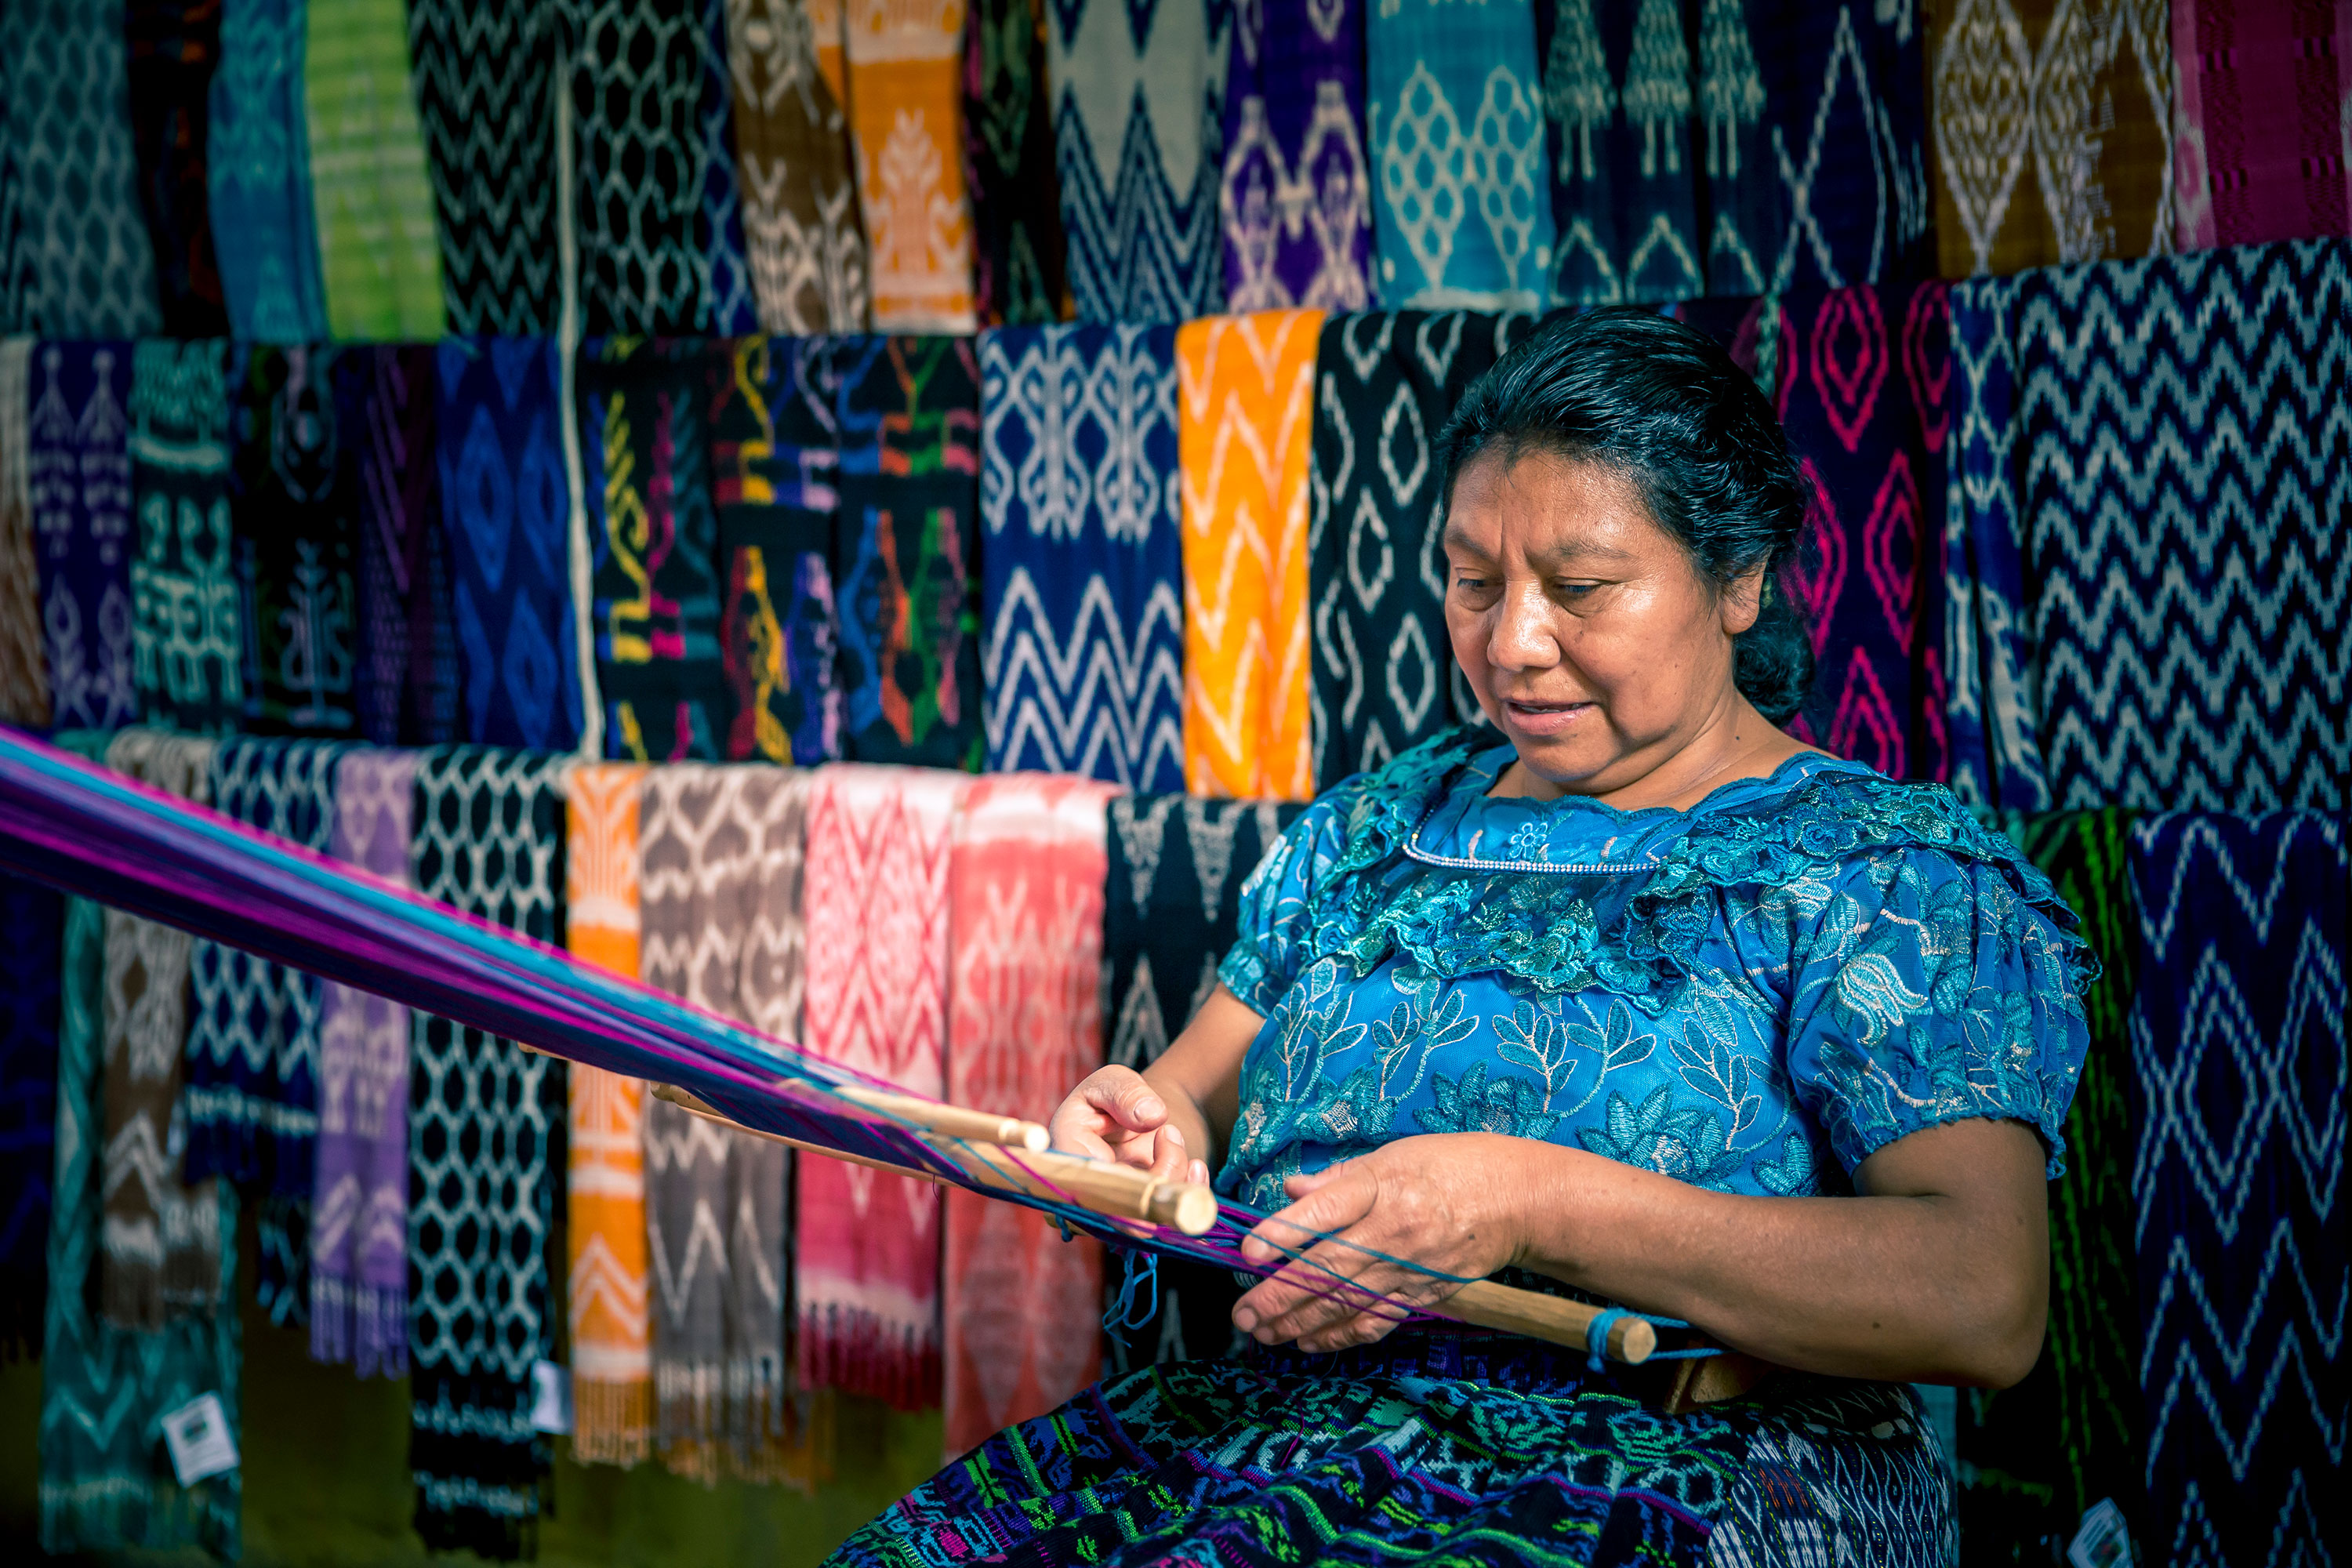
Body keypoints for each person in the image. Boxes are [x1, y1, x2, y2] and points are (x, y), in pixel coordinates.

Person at [829, 309, 2090, 1566]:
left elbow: (1982, 1298)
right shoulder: (1376, 832)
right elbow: (1186, 1098)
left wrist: (1522, 1203)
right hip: (1280, 1446)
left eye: (1581, 590)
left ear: (1739, 579)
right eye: (1473, 583)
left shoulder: (1885, 874)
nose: (1511, 644)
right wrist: (1140, 1133)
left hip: (1683, 1476)